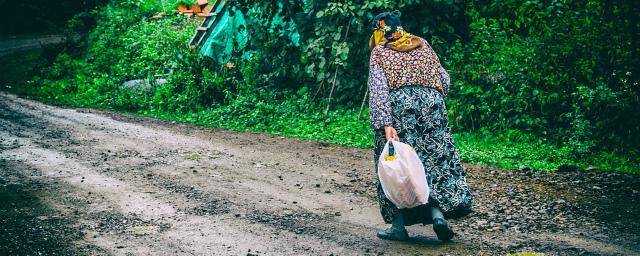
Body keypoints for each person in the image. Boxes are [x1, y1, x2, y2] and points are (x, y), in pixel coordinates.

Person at [368, 11, 474, 241]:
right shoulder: (422, 43)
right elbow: (444, 79)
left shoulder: (380, 51)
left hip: (400, 109)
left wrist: (385, 123)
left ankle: (398, 227)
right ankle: (438, 216)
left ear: (380, 31)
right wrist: (429, 96)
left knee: (395, 164)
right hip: (432, 106)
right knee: (433, 160)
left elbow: (378, 91)